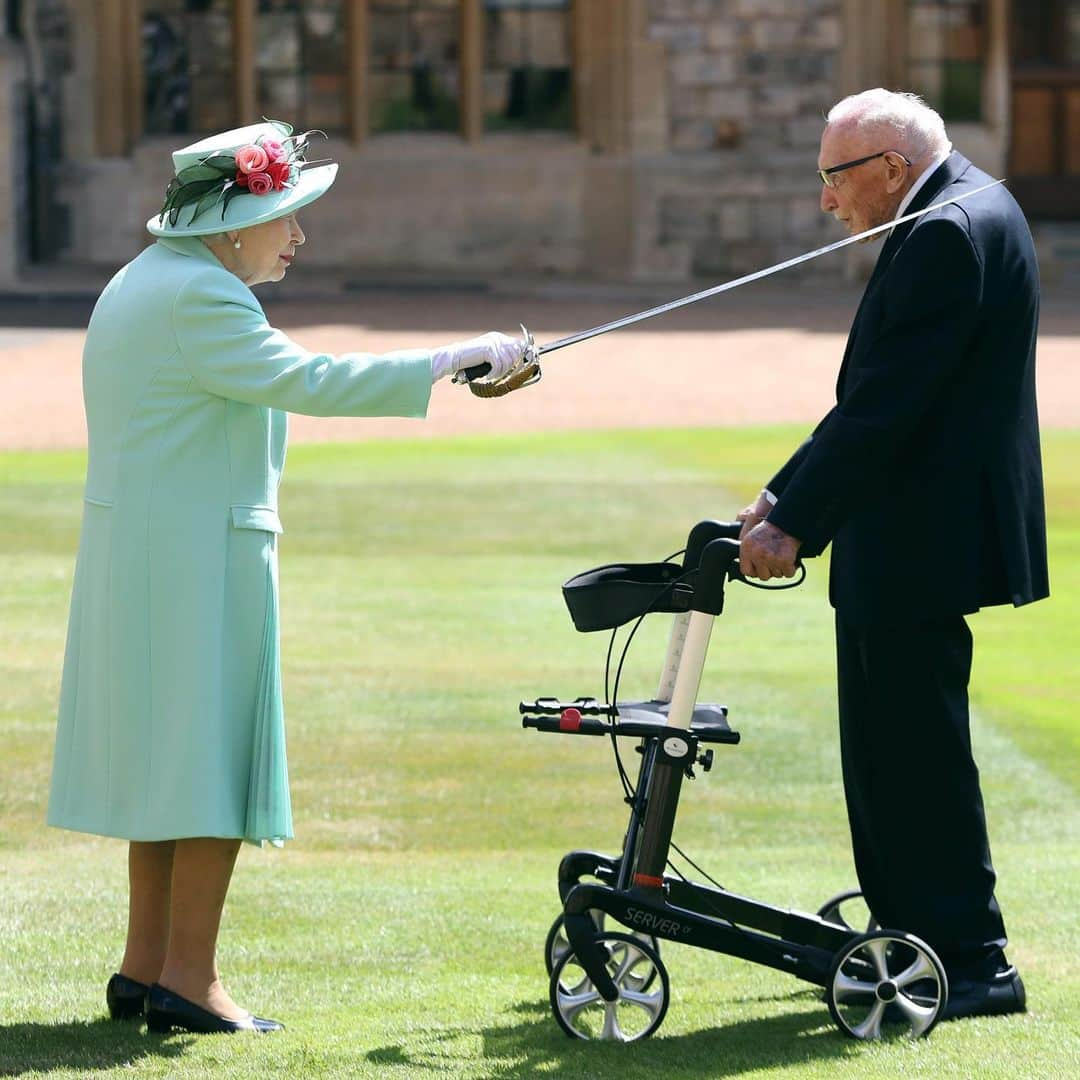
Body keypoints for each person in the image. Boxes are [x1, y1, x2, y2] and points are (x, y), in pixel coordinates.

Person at [46, 120, 525, 1035]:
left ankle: (145, 966)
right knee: (212, 763)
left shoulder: (143, 281)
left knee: (168, 767)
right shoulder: (201, 297)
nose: (297, 235)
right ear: (231, 223)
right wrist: (452, 357)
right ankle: (188, 979)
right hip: (196, 561)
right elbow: (308, 378)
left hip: (146, 558)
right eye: (285, 215)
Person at [737, 89, 1047, 1021]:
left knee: (910, 755)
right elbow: (884, 396)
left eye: (834, 178)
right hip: (914, 533)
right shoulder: (969, 206)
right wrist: (783, 493)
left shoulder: (945, 231)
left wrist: (791, 515)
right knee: (893, 751)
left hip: (917, 540)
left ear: (890, 171)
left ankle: (970, 960)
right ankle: (913, 926)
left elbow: (886, 404)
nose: (827, 201)